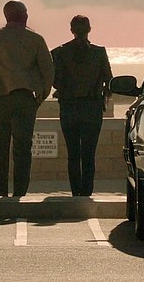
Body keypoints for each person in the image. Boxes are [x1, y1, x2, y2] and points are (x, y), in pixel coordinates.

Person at [0, 0, 54, 198]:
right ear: (24, 16)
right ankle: (20, 191)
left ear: (6, 16)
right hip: (25, 99)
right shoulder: (36, 39)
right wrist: (40, 97)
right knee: (23, 149)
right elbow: (48, 73)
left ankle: (0, 188)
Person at [51, 15, 112, 197]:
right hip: (92, 108)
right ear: (89, 29)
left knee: (73, 154)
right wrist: (103, 93)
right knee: (88, 154)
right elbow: (109, 81)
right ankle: (86, 192)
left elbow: (55, 81)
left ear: (71, 30)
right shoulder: (99, 53)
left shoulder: (59, 53)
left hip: (69, 108)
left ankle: (76, 191)